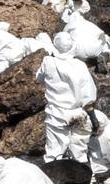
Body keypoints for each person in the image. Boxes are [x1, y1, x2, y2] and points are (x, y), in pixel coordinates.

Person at [35, 31, 97, 163]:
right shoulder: (80, 65)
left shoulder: (48, 62)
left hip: (56, 113)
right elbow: (89, 93)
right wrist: (93, 116)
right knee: (79, 152)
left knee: (54, 152)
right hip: (78, 112)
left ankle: (54, 179)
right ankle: (82, 179)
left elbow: (38, 78)